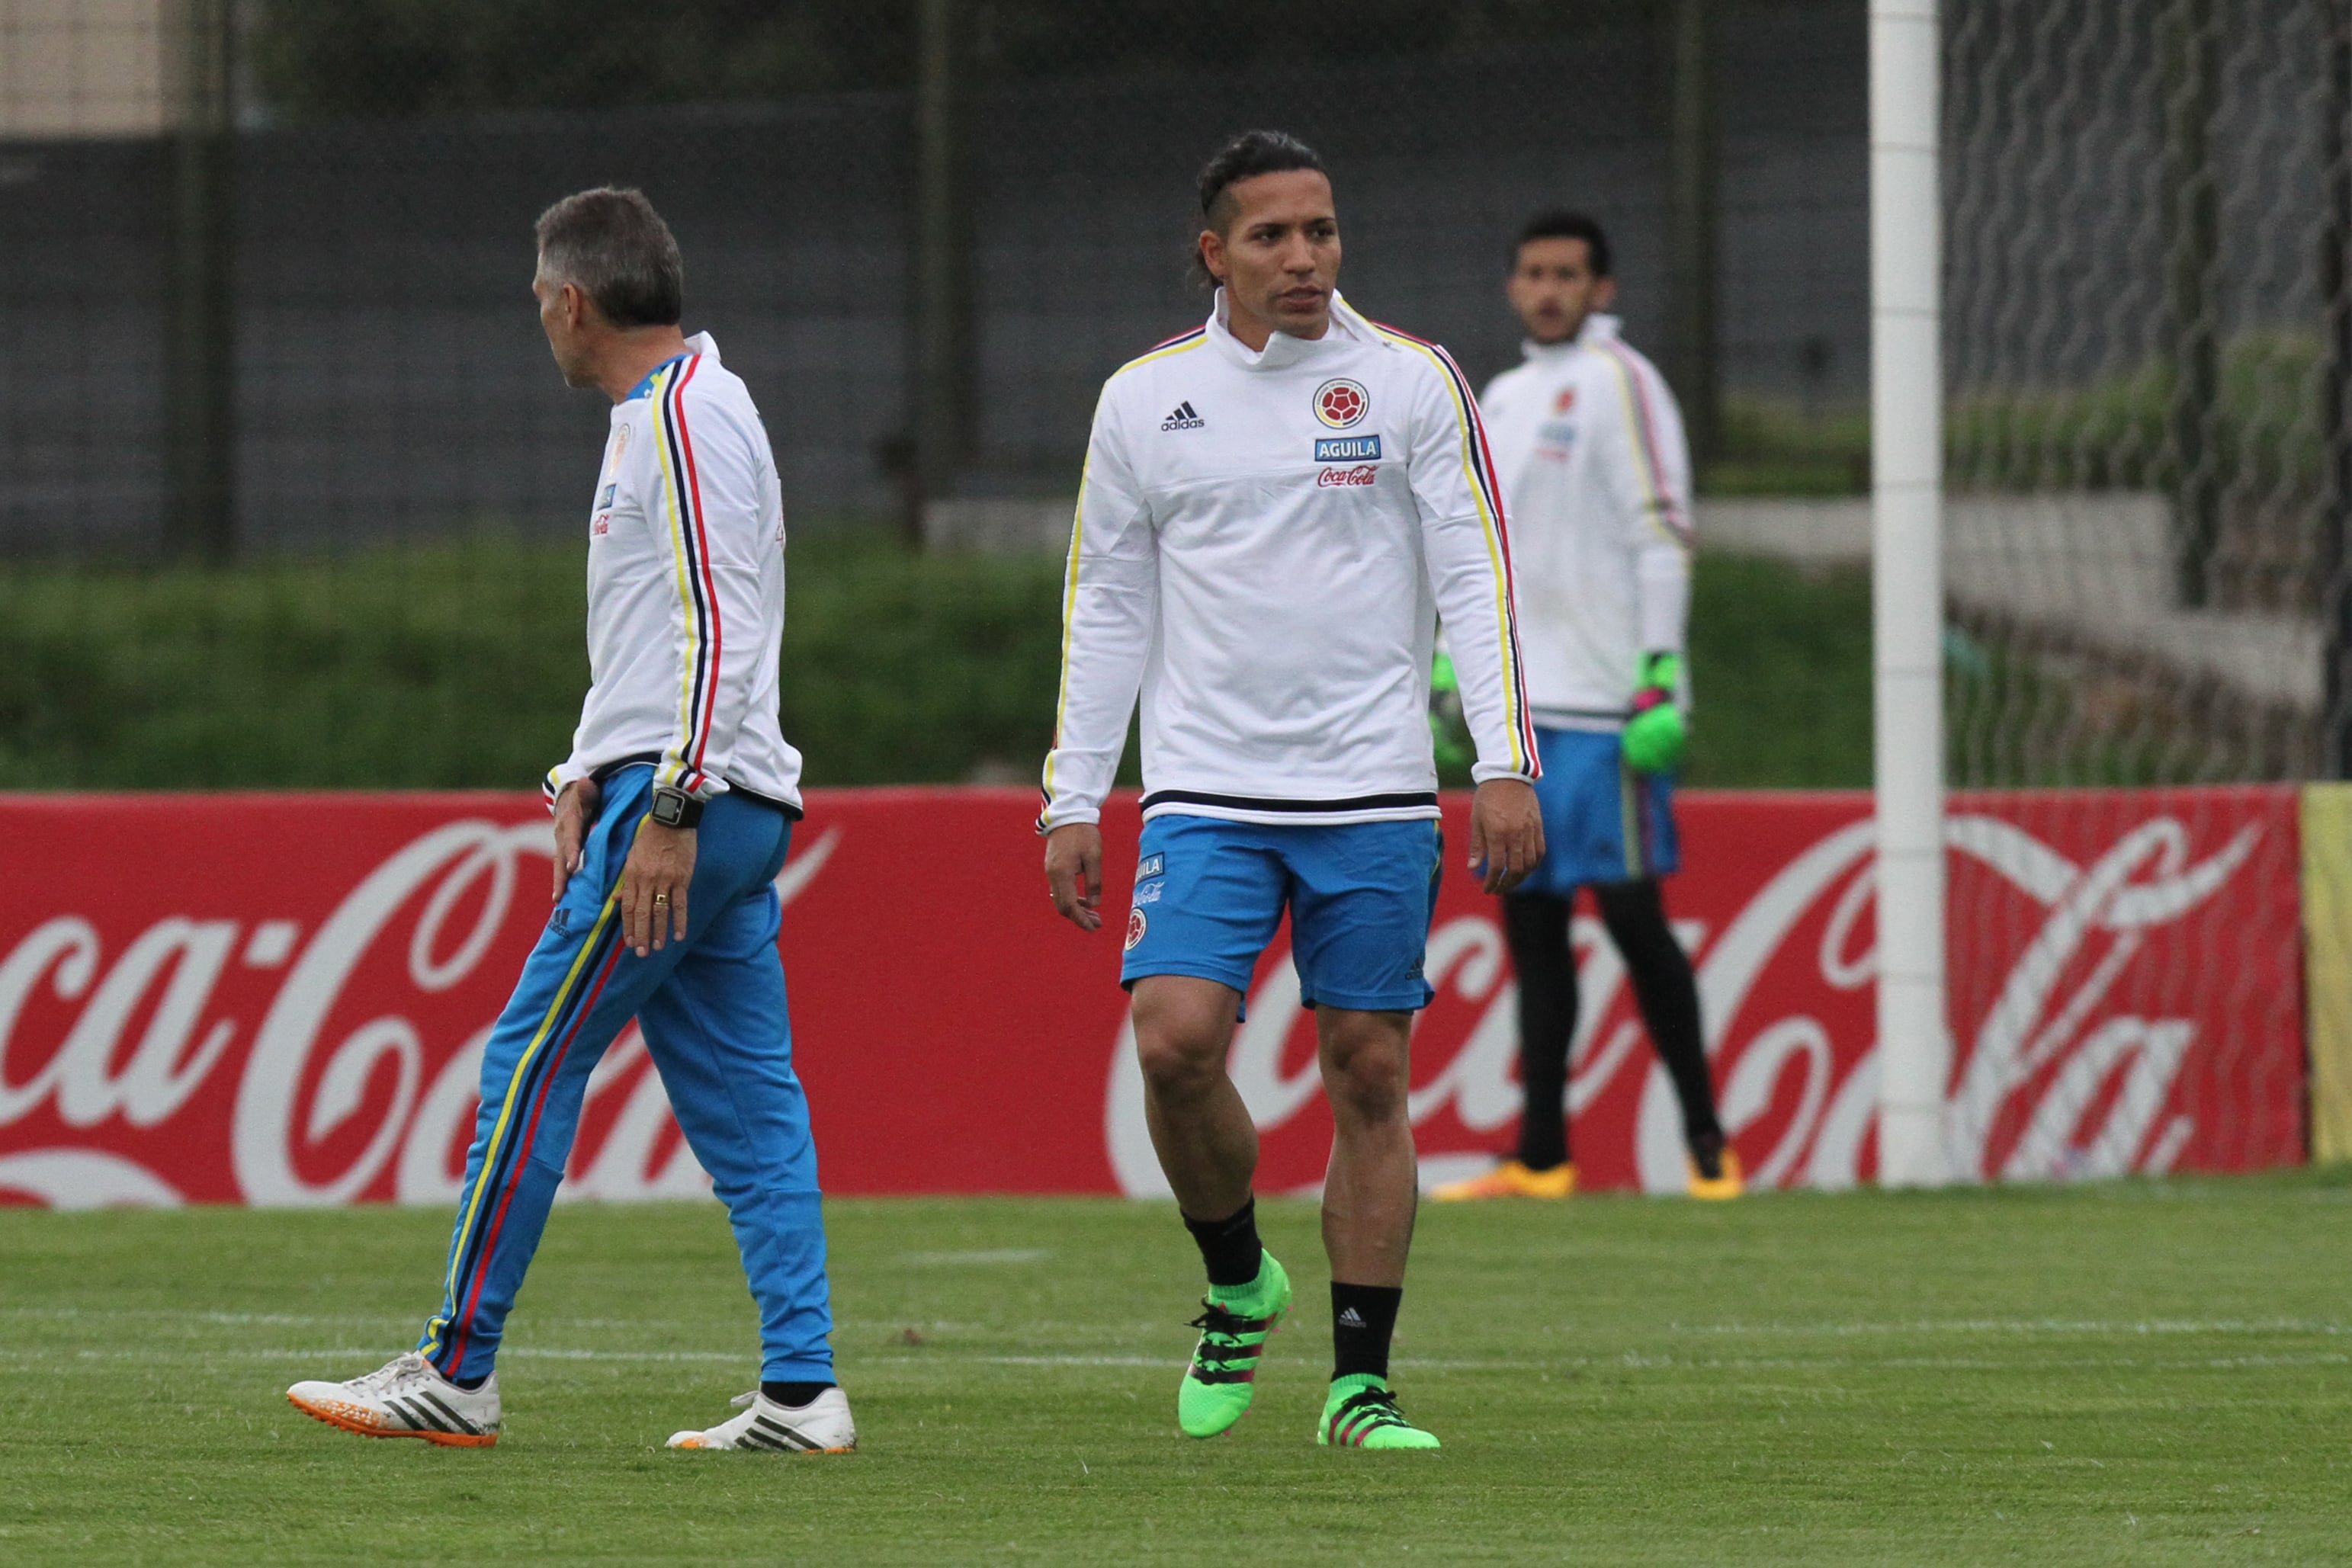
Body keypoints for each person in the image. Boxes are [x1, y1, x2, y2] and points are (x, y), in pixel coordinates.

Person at [287, 188, 855, 1453]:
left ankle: (455, 1368)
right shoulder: (679, 406)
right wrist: (583, 770)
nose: (539, 320)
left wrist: (667, 799)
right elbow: (661, 636)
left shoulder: (679, 416)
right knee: (747, 1104)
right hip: (708, 791)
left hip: (693, 803)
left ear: (569, 300)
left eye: (537, 302)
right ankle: (803, 1391)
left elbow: (718, 623)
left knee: (527, 1062)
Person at [1039, 130, 1545, 1451]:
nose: (1304, 256)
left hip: (1373, 789)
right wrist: (1071, 795)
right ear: (1214, 254)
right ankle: (1233, 1279)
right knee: (1174, 1040)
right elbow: (1104, 601)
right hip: (1203, 786)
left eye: (1320, 230)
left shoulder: (1412, 381)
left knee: (1368, 1069)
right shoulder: (1144, 400)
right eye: (1271, 235)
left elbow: (1477, 577)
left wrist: (1501, 760)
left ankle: (1359, 1384)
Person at [1433, 210, 1741, 1204]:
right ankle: (1540, 1152)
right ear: (1513, 287)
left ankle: (1705, 1142)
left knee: (1635, 923)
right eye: (1533, 273)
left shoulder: (1623, 383)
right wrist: (1452, 666)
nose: (1549, 289)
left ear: (1601, 288)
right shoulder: (1504, 396)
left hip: (1610, 710)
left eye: (1568, 273)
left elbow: (1662, 529)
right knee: (1530, 930)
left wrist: (1661, 674)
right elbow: (1475, 551)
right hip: (1527, 712)